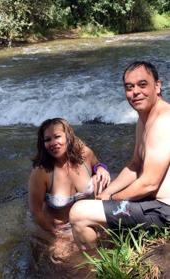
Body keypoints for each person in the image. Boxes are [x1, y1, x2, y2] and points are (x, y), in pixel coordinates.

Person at [69, 61, 170, 250]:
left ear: (157, 86)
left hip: (164, 212)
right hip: (155, 204)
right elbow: (135, 164)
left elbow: (149, 183)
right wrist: (108, 192)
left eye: (142, 84)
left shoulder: (164, 121)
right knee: (102, 188)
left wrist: (114, 198)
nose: (135, 92)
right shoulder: (145, 118)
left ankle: (93, 268)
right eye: (129, 87)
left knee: (78, 213)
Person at [28, 118, 110, 259]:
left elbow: (97, 165)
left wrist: (102, 169)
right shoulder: (41, 172)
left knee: (108, 248)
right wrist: (56, 235)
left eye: (57, 136)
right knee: (67, 262)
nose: (53, 143)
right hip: (59, 229)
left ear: (68, 136)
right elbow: (36, 211)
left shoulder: (85, 154)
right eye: (47, 139)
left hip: (86, 219)